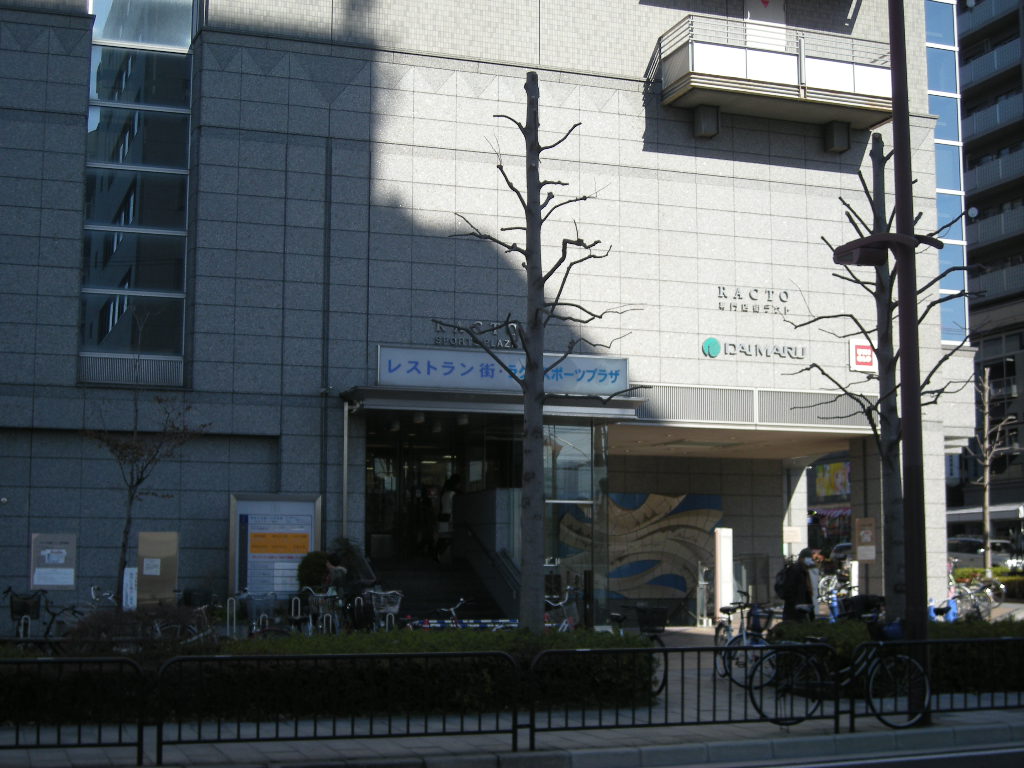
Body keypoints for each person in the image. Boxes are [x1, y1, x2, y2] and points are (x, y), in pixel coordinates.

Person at [782, 547, 821, 621]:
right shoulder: (798, 570)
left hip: (797, 607)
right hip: (798, 607)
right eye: (808, 558)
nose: (810, 560)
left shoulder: (801, 569)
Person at [436, 474, 461, 563]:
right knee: (449, 538)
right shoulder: (453, 495)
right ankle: (442, 555)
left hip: (443, 517)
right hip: (449, 518)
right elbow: (454, 508)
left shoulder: (445, 494)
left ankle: (438, 554)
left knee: (443, 538)